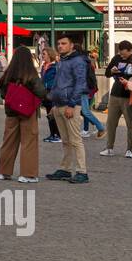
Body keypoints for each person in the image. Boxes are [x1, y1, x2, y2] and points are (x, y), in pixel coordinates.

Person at [0, 46, 49, 183]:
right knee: (29, 142)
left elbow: (3, 93)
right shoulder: (31, 74)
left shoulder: (8, 75)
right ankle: (27, 174)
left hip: (11, 111)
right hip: (27, 111)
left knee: (8, 142)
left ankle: (3, 172)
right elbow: (41, 92)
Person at [44, 35, 89, 183]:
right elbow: (58, 83)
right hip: (59, 104)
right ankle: (65, 169)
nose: (60, 46)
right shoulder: (62, 61)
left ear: (71, 45)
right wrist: (54, 104)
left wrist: (72, 104)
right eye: (58, 44)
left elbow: (80, 83)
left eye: (64, 43)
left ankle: (82, 171)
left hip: (70, 105)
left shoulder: (78, 61)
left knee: (75, 140)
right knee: (65, 140)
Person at [100, 41, 132, 158]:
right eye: (120, 54)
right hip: (115, 94)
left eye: (124, 54)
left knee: (130, 124)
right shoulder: (116, 58)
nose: (122, 56)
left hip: (128, 96)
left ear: (130, 50)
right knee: (111, 123)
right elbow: (107, 73)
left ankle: (130, 149)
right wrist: (111, 71)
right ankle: (109, 147)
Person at [78, 52, 104, 138]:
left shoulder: (84, 64)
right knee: (85, 111)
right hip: (89, 89)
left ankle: (96, 126)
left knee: (85, 111)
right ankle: (89, 128)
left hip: (87, 90)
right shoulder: (88, 62)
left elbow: (87, 78)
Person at [40, 50, 61, 142]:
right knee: (49, 114)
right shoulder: (44, 66)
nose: (42, 55)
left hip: (53, 92)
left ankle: (58, 135)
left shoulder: (56, 66)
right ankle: (52, 134)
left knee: (54, 114)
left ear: (50, 55)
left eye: (44, 54)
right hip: (45, 92)